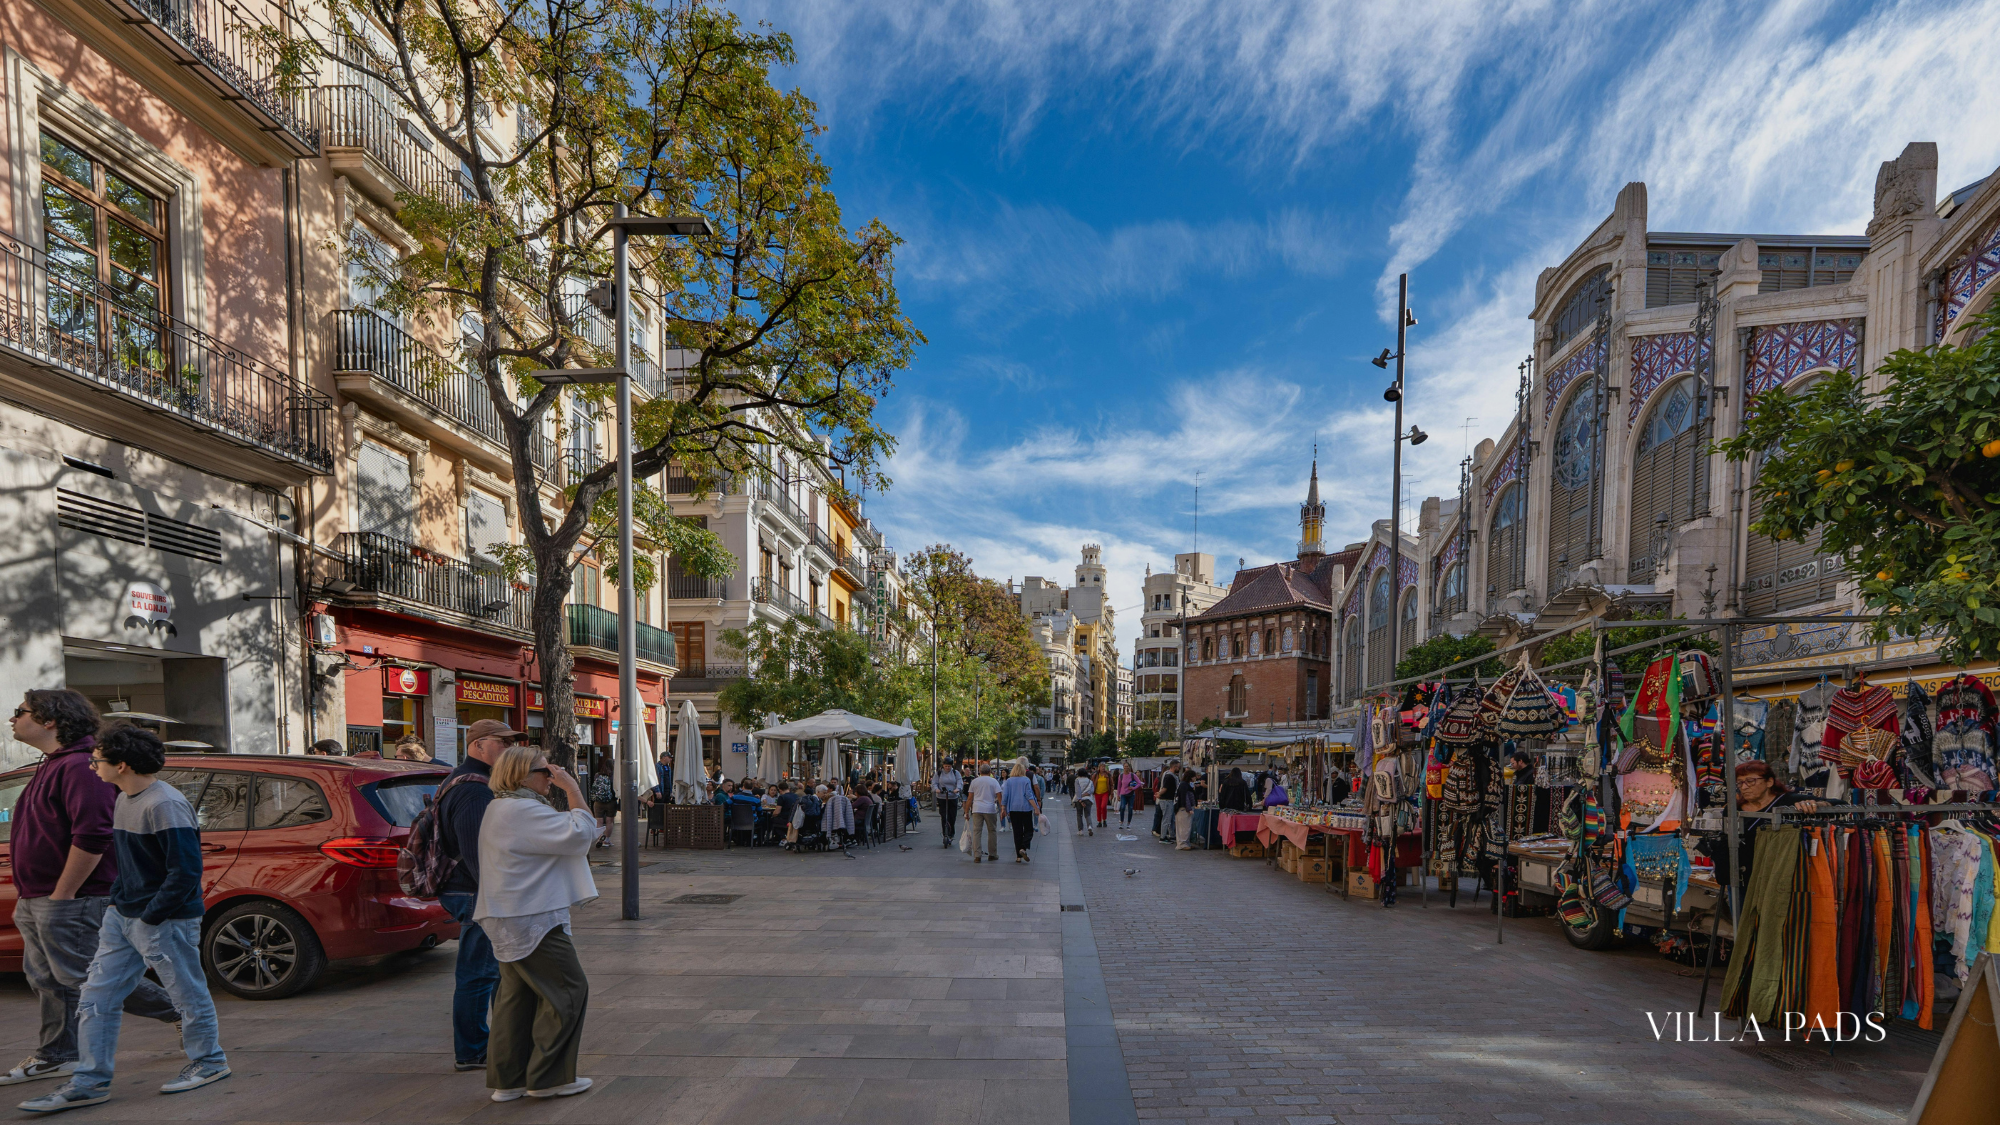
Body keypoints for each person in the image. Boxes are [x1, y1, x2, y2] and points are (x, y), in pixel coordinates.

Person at [17, 726, 228, 1114]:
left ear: (122, 765)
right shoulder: (124, 799)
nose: (93, 766)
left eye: (97, 760)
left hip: (165, 920)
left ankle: (210, 1061)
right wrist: (118, 906)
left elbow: (184, 871)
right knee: (96, 996)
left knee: (186, 994)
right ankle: (89, 1082)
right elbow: (130, 866)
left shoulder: (164, 803)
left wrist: (149, 917)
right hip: (123, 916)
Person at [2, 691, 179, 1091]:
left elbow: (94, 834)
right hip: (39, 896)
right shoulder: (54, 765)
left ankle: (186, 1011)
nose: (13, 719)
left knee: (92, 978)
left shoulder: (83, 767)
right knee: (48, 981)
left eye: (21, 712)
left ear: (50, 720)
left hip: (73, 898)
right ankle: (57, 1056)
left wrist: (63, 894)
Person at [474, 746, 597, 1102]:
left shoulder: (503, 807)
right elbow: (580, 834)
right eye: (545, 772)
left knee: (517, 997)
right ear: (522, 775)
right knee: (569, 990)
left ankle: (508, 1081)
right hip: (531, 916)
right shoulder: (519, 809)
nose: (551, 778)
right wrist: (573, 789)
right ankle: (548, 1078)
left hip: (513, 912)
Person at [438, 718, 526, 1073]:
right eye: (502, 743)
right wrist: (499, 897)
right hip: (476, 892)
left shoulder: (467, 781)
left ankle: (497, 1042)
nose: (509, 748)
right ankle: (473, 1050)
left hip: (472, 890)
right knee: (479, 974)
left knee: (494, 972)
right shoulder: (474, 789)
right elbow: (479, 854)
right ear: (478, 745)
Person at [1697, 760, 1828, 888]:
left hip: (1777, 879)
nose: (1744, 787)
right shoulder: (1733, 809)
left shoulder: (1787, 801)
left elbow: (1840, 805)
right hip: (1742, 881)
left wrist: (1819, 805)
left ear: (1769, 782)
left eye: (1750, 781)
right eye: (1740, 783)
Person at [1001, 760, 1042, 863]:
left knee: (1017, 832)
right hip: (1026, 808)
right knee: (1028, 830)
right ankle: (1023, 848)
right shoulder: (1026, 780)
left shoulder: (1009, 781)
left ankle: (1018, 856)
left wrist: (1003, 808)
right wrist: (1036, 807)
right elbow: (1029, 795)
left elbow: (1005, 795)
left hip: (1013, 809)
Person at [966, 764, 1003, 863]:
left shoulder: (974, 781)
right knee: (992, 831)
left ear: (980, 771)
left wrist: (966, 812)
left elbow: (970, 798)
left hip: (977, 808)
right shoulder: (993, 781)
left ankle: (977, 855)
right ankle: (992, 854)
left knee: (977, 832)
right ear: (990, 771)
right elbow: (999, 795)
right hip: (990, 809)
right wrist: (1003, 808)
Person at [1154, 763, 1180, 843]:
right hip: (1166, 800)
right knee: (1166, 818)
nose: (1179, 768)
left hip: (1168, 799)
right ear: (1174, 767)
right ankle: (1163, 837)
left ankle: (1171, 835)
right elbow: (1165, 788)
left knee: (1170, 818)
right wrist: (1160, 794)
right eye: (1178, 767)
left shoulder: (1169, 775)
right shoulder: (1169, 776)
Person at [1072, 770, 1093, 835]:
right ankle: (1089, 826)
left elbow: (1077, 791)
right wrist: (1086, 794)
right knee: (1088, 814)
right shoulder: (1090, 781)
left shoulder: (1077, 780)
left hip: (1079, 800)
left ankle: (1080, 830)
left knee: (1079, 814)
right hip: (1088, 799)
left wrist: (1080, 799)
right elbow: (1092, 790)